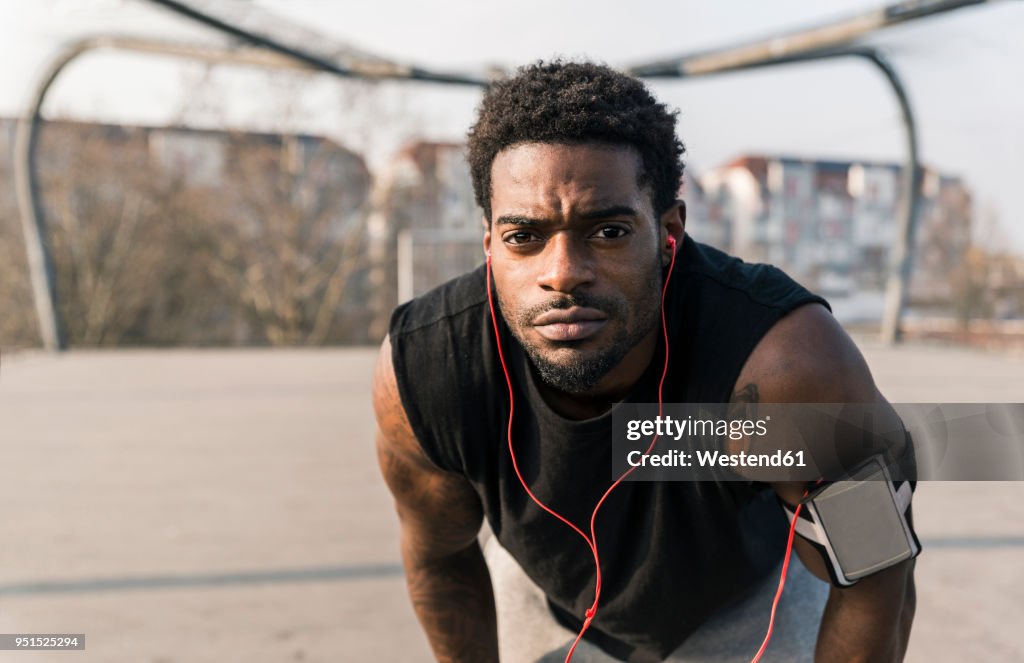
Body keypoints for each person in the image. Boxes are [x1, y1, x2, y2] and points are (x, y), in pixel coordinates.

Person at [374, 61, 916, 662]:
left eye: (607, 231)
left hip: (753, 597)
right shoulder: (427, 368)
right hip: (547, 597)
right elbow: (440, 554)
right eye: (524, 236)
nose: (562, 274)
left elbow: (875, 570)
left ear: (668, 232)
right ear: (489, 244)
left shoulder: (788, 367)